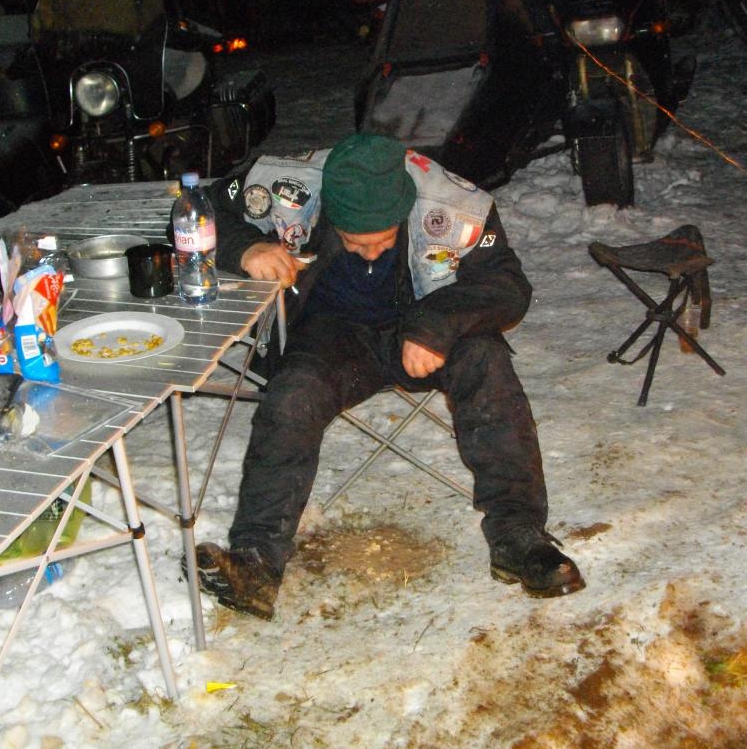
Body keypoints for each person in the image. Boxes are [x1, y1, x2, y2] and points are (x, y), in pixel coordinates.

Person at [194, 133, 584, 619]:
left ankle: (518, 537)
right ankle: (257, 561)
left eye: (383, 240)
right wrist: (245, 247)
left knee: (488, 363)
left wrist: (437, 325)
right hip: (333, 335)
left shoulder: (456, 204)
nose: (371, 254)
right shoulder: (281, 181)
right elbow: (199, 207)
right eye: (355, 243)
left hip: (423, 320)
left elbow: (507, 285)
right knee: (293, 393)